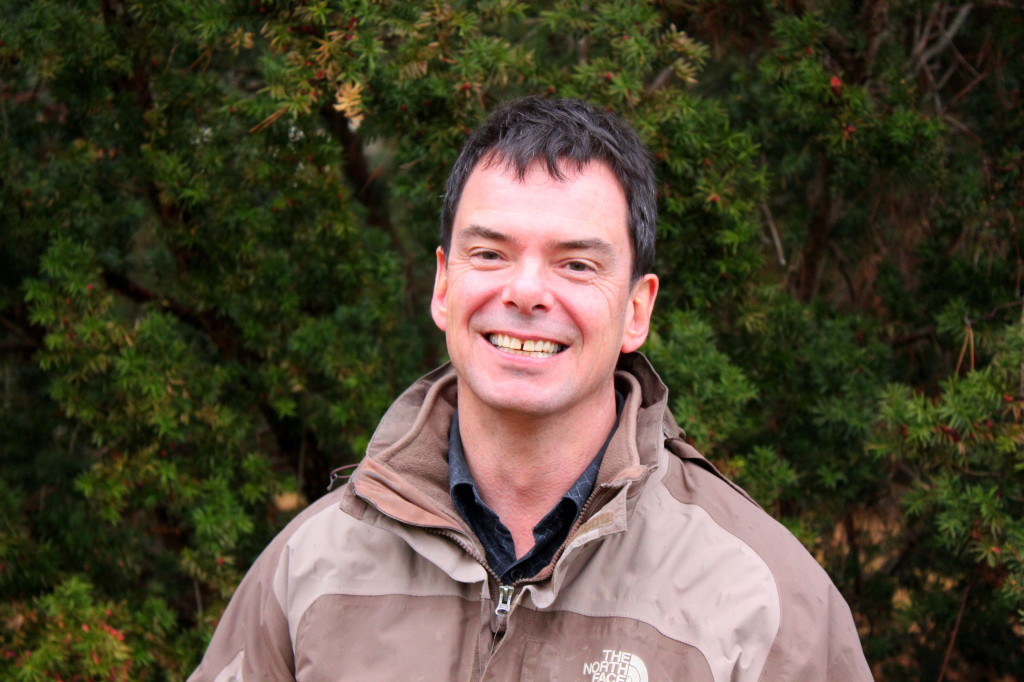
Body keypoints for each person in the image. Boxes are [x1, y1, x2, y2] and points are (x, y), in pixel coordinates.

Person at [189, 97, 873, 681]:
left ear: (636, 310)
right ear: (443, 285)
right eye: (490, 254)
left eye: (576, 264)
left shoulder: (761, 597)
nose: (524, 292)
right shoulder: (309, 567)